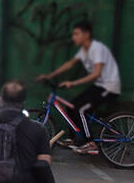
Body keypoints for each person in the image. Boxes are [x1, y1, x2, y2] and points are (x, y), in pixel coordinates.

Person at [37, 20, 121, 155]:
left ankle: (91, 143)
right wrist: (49, 76)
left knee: (81, 110)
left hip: (109, 87)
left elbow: (97, 73)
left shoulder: (97, 48)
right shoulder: (84, 50)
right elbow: (70, 64)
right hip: (99, 86)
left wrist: (73, 83)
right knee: (71, 106)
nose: (73, 37)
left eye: (76, 34)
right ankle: (75, 138)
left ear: (86, 34)